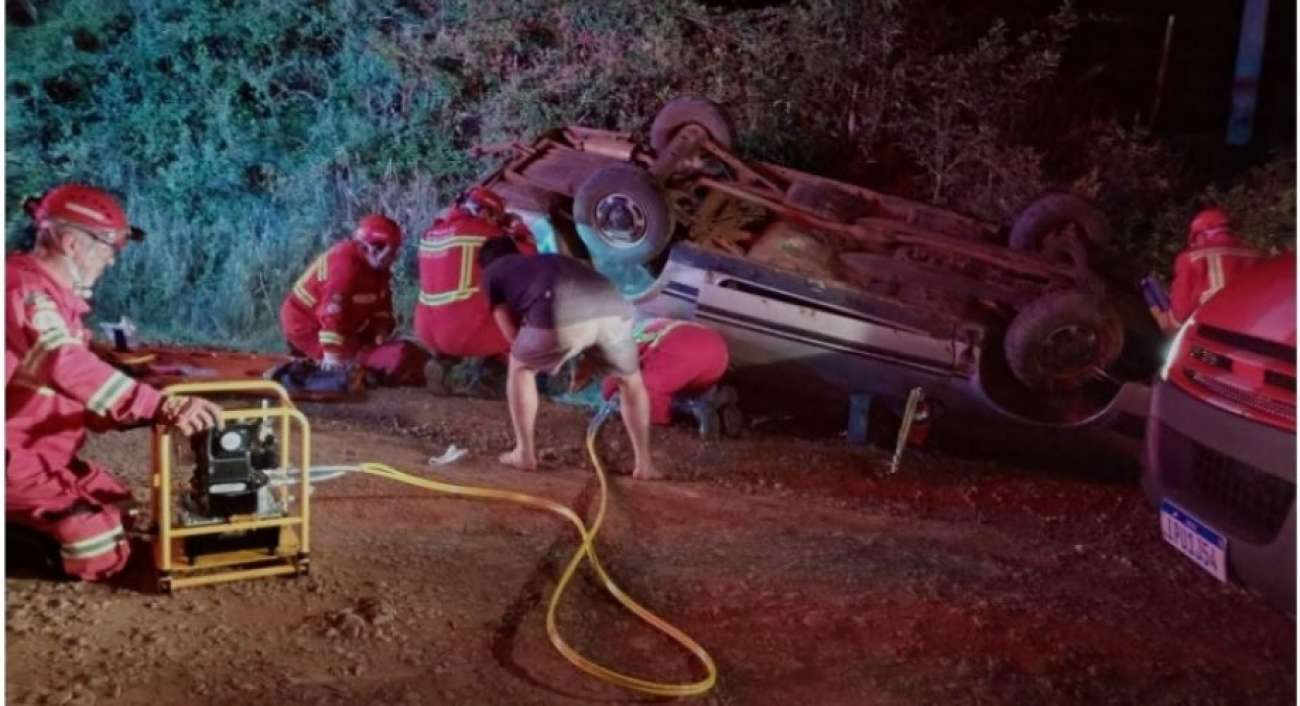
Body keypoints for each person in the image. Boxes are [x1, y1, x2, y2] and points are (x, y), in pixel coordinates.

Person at [6, 184, 223, 581]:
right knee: (94, 546)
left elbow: (71, 391)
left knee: (124, 510)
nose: (109, 261)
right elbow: (64, 365)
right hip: (15, 459)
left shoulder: (51, 298)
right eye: (108, 248)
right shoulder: (21, 289)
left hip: (37, 456)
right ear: (72, 243)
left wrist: (143, 403)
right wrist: (158, 405)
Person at [479, 238, 660, 479]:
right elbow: (591, 323)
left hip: (560, 304)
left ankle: (524, 454)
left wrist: (543, 354)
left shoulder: (492, 273)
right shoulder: (543, 262)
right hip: (615, 307)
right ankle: (645, 465)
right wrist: (585, 361)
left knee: (520, 366)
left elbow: (512, 335)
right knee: (631, 381)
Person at [414, 187, 537, 362]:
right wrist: (519, 228)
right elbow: (531, 256)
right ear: (488, 212)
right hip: (464, 335)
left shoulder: (429, 234)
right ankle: (528, 368)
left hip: (425, 332)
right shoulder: (487, 234)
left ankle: (489, 362)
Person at [279, 214, 403, 375]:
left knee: (369, 359)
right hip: (305, 322)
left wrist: (380, 332)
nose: (389, 257)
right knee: (350, 366)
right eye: (383, 248)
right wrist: (332, 355)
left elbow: (382, 303)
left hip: (343, 324)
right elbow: (331, 313)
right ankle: (311, 357)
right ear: (367, 245)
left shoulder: (377, 269)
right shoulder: (344, 266)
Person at [586, 317, 731, 432]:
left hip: (683, 350)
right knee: (673, 383)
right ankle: (704, 401)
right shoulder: (640, 325)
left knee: (644, 392)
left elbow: (613, 385)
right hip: (718, 352)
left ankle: (695, 409)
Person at [1169, 207, 1266, 327]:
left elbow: (1180, 313)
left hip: (1217, 333)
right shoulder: (1257, 254)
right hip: (1260, 326)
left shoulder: (1190, 259)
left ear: (1202, 234)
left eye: (1195, 239)